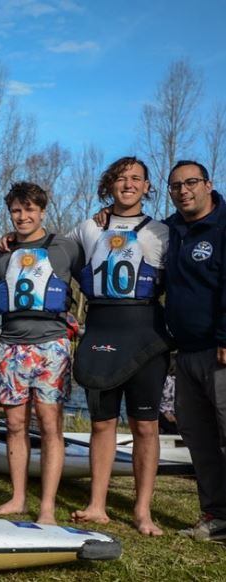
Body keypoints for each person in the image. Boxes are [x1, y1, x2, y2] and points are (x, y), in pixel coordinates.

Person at [69, 157, 171, 536]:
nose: (127, 184)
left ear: (147, 187)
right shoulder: (87, 228)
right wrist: (10, 241)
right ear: (109, 185)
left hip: (145, 333)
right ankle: (96, 504)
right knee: (101, 423)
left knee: (146, 426)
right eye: (120, 178)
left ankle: (142, 511)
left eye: (135, 179)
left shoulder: (163, 232)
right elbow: (51, 257)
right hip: (100, 330)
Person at [0, 181, 82, 524]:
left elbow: (92, 283)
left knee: (49, 425)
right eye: (16, 210)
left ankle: (47, 507)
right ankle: (17, 498)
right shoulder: (1, 254)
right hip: (11, 345)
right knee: (14, 423)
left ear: (42, 211)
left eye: (30, 210)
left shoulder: (66, 248)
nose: (23, 216)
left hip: (51, 346)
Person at [162, 160, 226, 542]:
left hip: (219, 349)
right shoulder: (171, 229)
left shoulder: (222, 226)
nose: (183, 190)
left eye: (190, 183)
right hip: (184, 352)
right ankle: (217, 516)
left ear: (207, 183)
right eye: (175, 186)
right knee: (198, 437)